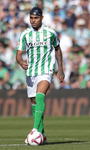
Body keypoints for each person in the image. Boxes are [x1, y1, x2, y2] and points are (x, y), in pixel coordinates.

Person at [16, 6, 65, 145]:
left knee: (39, 95)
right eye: (31, 18)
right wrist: (20, 62)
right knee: (34, 103)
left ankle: (34, 130)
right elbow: (18, 54)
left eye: (36, 18)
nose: (33, 20)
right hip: (31, 72)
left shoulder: (50, 33)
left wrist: (60, 69)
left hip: (46, 70)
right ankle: (42, 134)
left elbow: (57, 49)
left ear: (42, 18)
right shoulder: (25, 34)